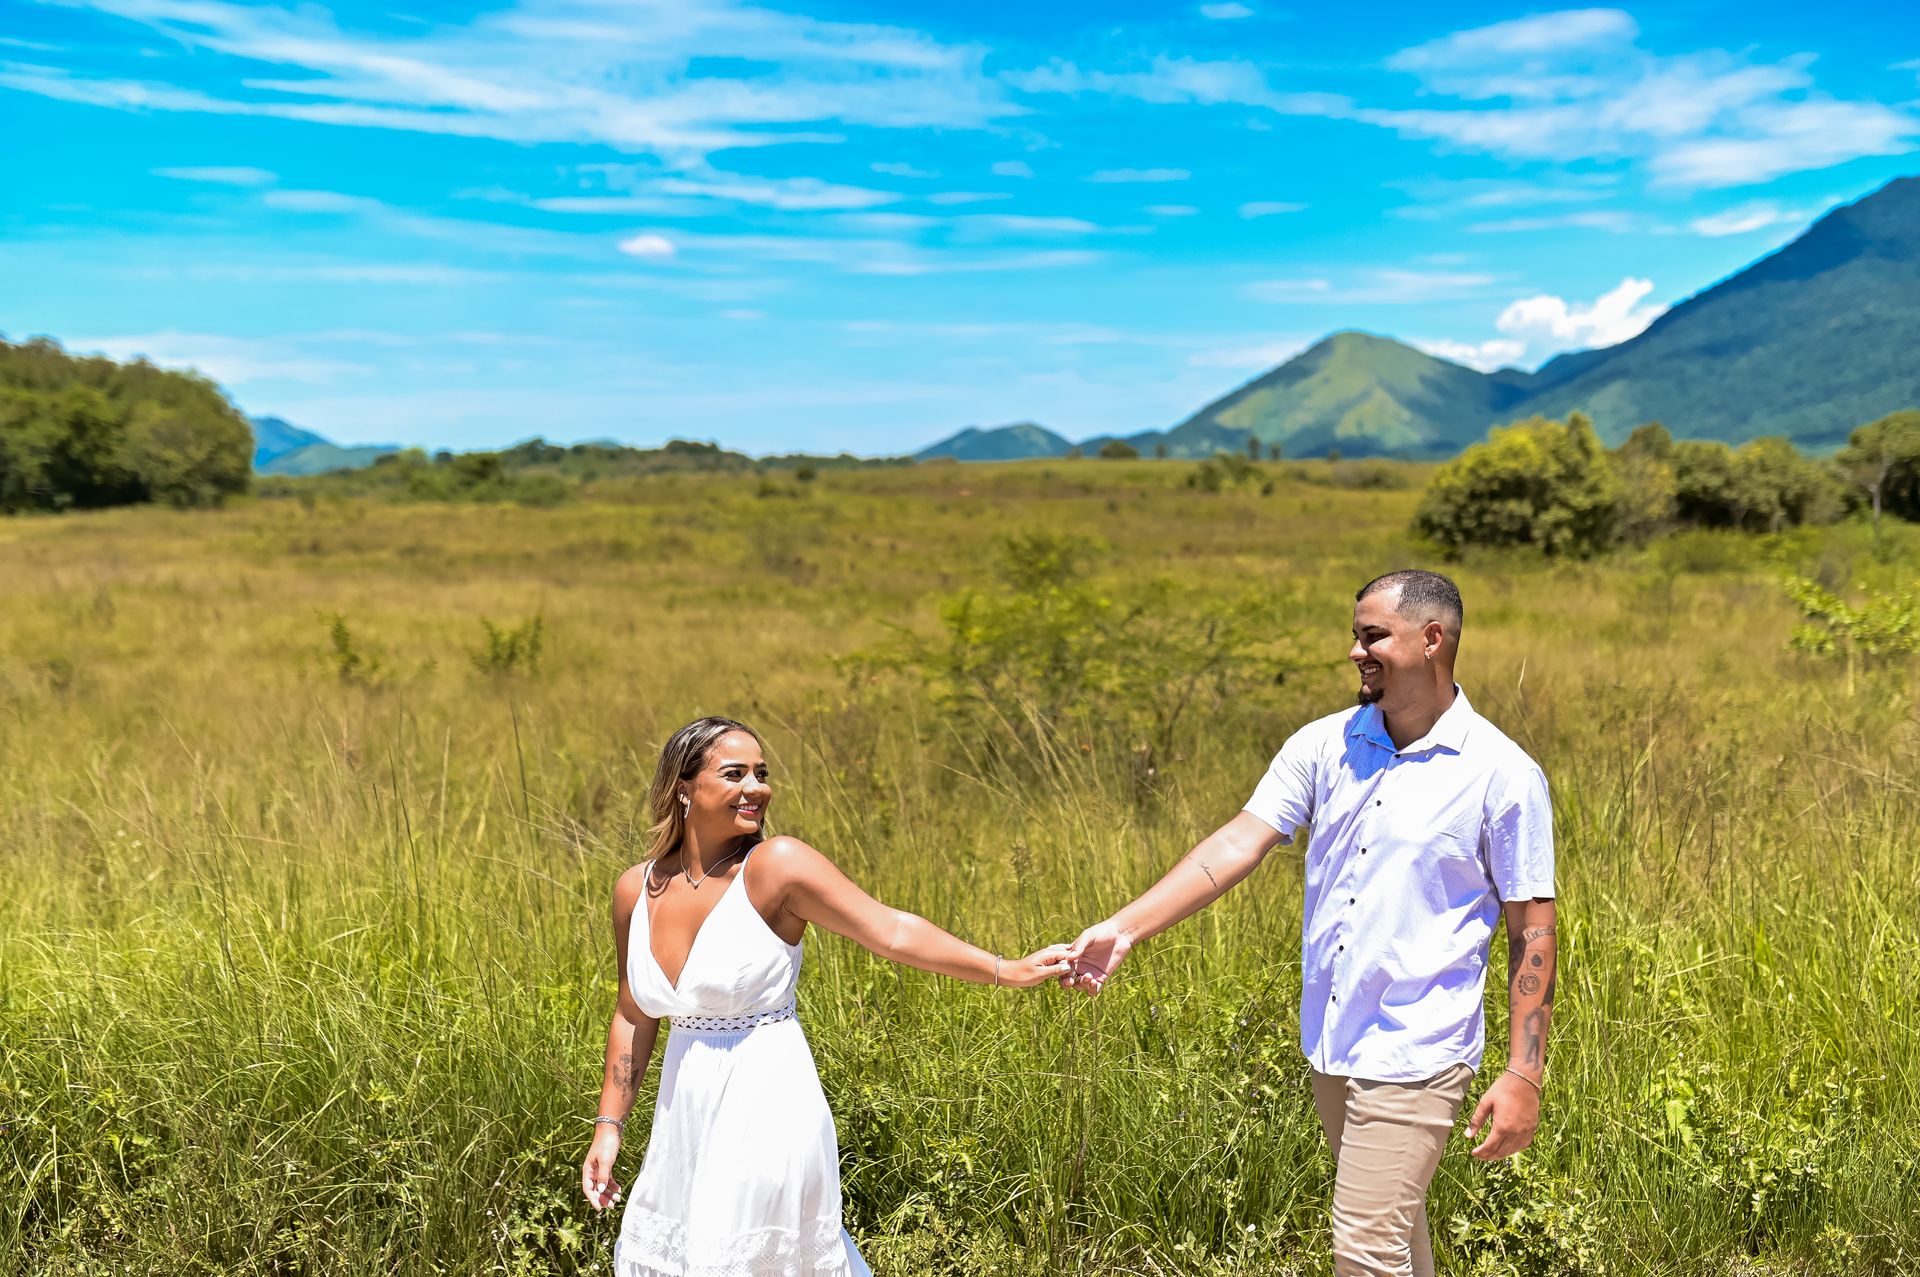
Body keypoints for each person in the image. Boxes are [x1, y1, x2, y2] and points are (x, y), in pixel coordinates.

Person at [1064, 570, 1558, 1277]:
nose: (1356, 651)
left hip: (1418, 1048)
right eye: (1356, 636)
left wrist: (1523, 1073)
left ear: (1432, 637)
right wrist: (1127, 926)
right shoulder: (1325, 745)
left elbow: (1531, 933)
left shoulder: (1501, 773)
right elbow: (1238, 842)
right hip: (1335, 1042)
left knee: (1364, 1250)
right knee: (1397, 1236)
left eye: (1373, 636)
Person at [582, 715, 1073, 1277]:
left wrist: (1002, 968)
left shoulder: (777, 867)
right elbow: (633, 1013)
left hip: (766, 1101)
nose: (756, 788)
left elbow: (890, 930)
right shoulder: (636, 888)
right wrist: (609, 1126)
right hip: (684, 1115)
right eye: (735, 773)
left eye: (762, 774)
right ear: (684, 788)